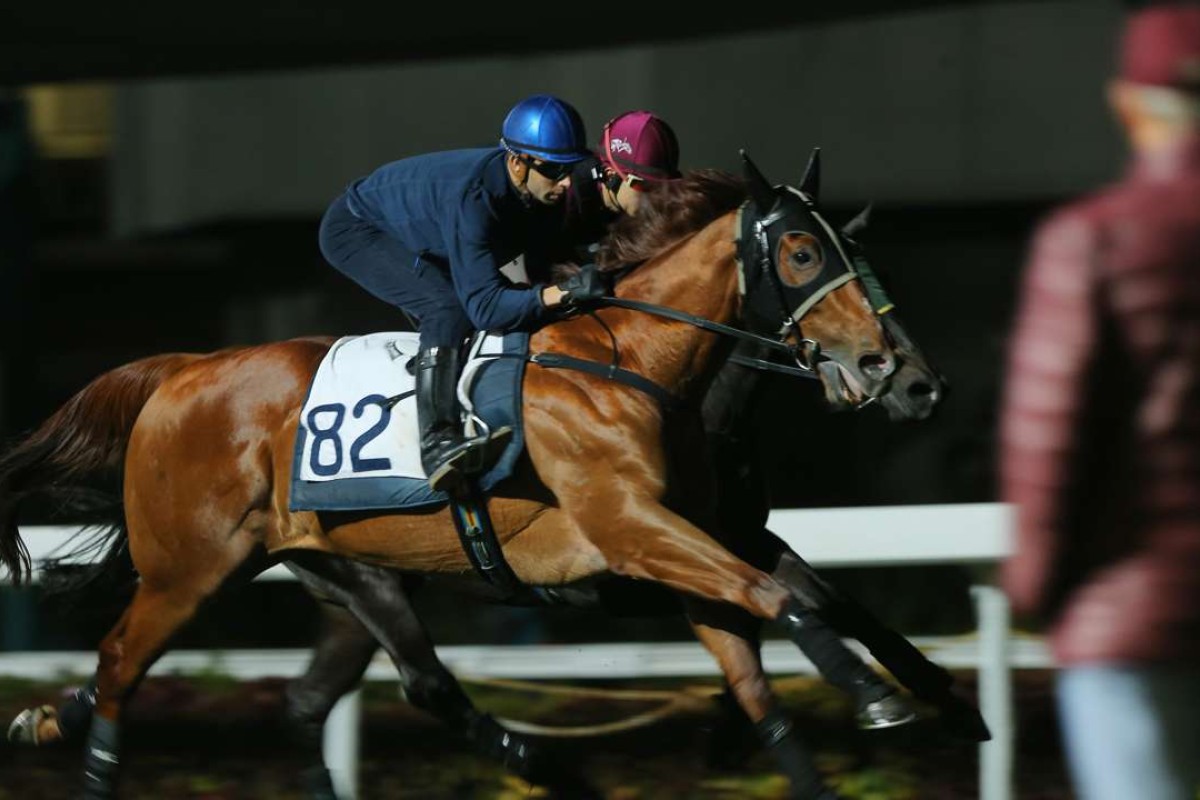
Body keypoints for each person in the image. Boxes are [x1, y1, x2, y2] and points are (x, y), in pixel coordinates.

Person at [1001, 4, 1200, 798]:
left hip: (1130, 617)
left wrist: (1034, 587)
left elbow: (1047, 441)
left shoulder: (1091, 240)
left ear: (1126, 104)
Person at [318, 94, 608, 492]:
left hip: (425, 230)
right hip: (357, 228)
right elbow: (487, 307)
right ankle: (437, 441)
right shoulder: (475, 199)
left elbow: (544, 269)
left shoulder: (538, 191)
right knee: (448, 308)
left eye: (569, 170)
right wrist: (560, 295)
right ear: (517, 162)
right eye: (553, 171)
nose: (563, 184)